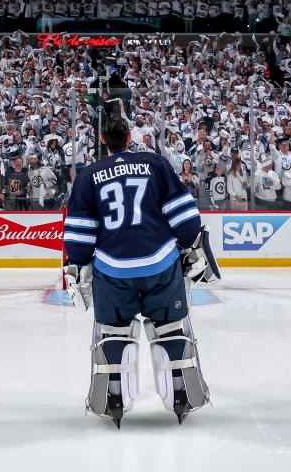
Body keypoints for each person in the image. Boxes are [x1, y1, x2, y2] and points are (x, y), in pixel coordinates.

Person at [62, 118, 217, 428]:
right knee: (171, 329)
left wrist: (78, 265)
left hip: (113, 269)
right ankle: (180, 394)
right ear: (130, 137)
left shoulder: (88, 176)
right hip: (160, 263)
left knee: (114, 333)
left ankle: (113, 398)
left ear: (103, 139)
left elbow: (80, 235)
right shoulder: (155, 163)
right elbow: (184, 215)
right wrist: (189, 245)